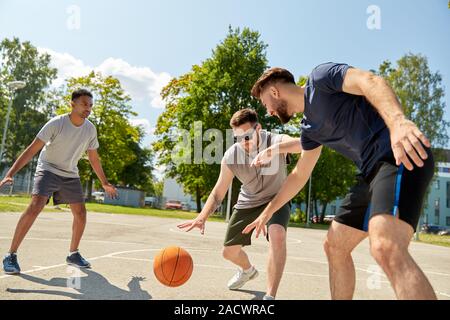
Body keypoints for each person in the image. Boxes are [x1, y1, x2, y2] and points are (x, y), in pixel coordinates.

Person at [244, 63, 436, 300]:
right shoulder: (310, 129)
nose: (268, 111)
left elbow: (370, 82)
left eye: (265, 104)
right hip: (370, 172)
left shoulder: (321, 79)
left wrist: (398, 122)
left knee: (385, 246)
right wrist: (267, 212)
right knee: (335, 245)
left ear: (274, 92)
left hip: (398, 155)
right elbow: (299, 175)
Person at [178, 108, 302, 300]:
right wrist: (202, 217)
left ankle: (270, 297)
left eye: (247, 136)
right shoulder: (231, 156)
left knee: (278, 235)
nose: (243, 142)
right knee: (229, 252)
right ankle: (247, 271)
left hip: (275, 200)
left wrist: (272, 151)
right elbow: (219, 191)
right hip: (248, 202)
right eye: (238, 138)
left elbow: (304, 144)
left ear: (258, 128)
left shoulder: (275, 140)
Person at [1, 88, 118, 274]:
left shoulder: (90, 129)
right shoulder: (57, 123)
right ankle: (11, 255)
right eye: (84, 104)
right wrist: (11, 173)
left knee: (80, 213)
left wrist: (104, 182)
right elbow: (32, 150)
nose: (88, 108)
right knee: (36, 205)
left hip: (70, 173)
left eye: (90, 105)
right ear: (72, 104)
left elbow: (94, 158)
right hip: (48, 168)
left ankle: (73, 254)